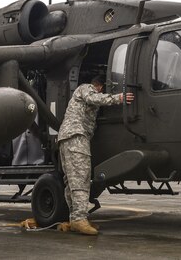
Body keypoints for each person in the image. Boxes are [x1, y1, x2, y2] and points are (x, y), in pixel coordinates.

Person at [57, 75, 134, 235]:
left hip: (68, 138)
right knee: (80, 178)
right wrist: (119, 98)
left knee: (71, 181)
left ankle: (75, 218)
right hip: (76, 137)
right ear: (100, 86)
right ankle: (79, 219)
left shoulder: (80, 96)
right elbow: (94, 98)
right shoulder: (86, 88)